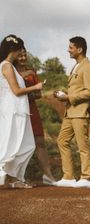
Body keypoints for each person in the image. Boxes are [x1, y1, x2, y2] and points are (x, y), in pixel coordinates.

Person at [54, 36, 90, 188]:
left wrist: (69, 97)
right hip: (70, 112)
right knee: (62, 141)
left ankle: (87, 178)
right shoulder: (76, 66)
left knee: (82, 145)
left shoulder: (88, 67)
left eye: (71, 47)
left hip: (80, 112)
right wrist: (64, 94)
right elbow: (78, 88)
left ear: (79, 49)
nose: (68, 50)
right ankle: (68, 176)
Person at [0, 34, 42, 189]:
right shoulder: (6, 66)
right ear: (13, 50)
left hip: (18, 110)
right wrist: (35, 87)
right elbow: (17, 91)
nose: (21, 53)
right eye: (19, 50)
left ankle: (15, 178)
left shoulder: (9, 66)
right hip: (12, 112)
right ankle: (12, 178)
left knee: (25, 145)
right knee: (9, 147)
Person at [15, 47, 56, 185]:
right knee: (17, 144)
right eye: (20, 56)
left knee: (40, 142)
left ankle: (48, 176)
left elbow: (39, 94)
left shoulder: (32, 72)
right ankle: (17, 177)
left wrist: (27, 94)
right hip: (17, 111)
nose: (23, 58)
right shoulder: (9, 71)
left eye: (24, 55)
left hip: (32, 110)